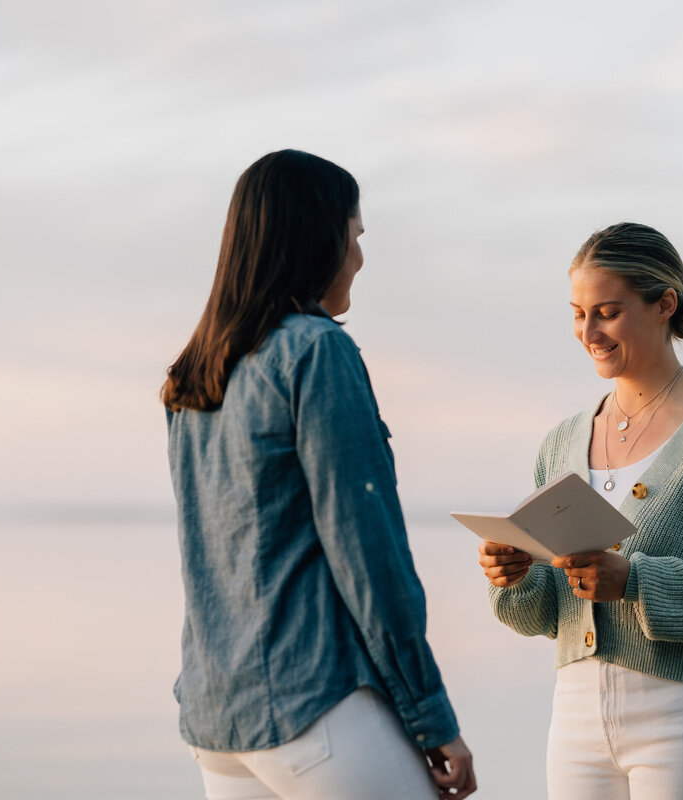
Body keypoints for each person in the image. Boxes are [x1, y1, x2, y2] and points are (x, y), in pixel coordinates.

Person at [162, 149, 476, 800]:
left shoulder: (194, 375)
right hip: (315, 707)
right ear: (319, 237)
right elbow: (369, 553)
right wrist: (430, 713)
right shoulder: (315, 349)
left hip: (219, 721)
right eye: (356, 236)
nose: (359, 257)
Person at [478, 222, 683, 800]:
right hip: (575, 717)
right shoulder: (563, 441)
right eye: (578, 313)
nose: (588, 332)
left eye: (607, 312)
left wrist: (636, 580)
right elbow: (547, 613)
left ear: (664, 305)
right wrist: (516, 578)